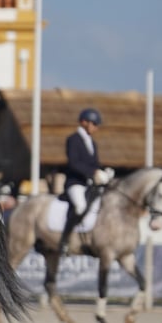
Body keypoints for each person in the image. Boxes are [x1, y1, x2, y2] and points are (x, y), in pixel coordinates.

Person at [59, 108, 113, 255]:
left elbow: (94, 164)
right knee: (80, 206)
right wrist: (93, 172)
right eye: (94, 123)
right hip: (75, 183)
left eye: (97, 124)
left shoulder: (92, 143)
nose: (96, 127)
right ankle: (64, 240)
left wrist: (104, 171)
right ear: (84, 122)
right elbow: (74, 163)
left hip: (90, 184)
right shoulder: (73, 139)